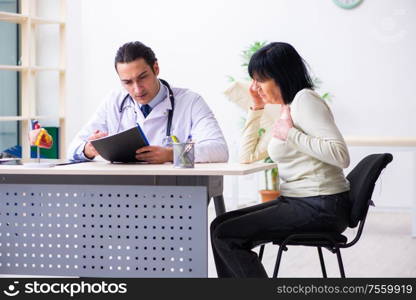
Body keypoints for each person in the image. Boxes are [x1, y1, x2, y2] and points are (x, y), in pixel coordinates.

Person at [210, 42, 351, 278]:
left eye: (260, 80)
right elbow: (247, 156)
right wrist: (256, 107)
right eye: (253, 80)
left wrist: (291, 134)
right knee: (219, 226)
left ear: (281, 77)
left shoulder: (305, 100)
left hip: (321, 205)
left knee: (225, 233)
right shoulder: (287, 109)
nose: (254, 87)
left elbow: (340, 155)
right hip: (301, 201)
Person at [68, 41, 228, 163]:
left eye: (142, 77)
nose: (137, 90)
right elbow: (72, 150)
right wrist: (88, 150)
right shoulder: (114, 101)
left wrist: (171, 154)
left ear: (156, 68)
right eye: (127, 82)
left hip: (176, 192)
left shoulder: (190, 102)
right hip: (122, 192)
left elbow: (220, 150)